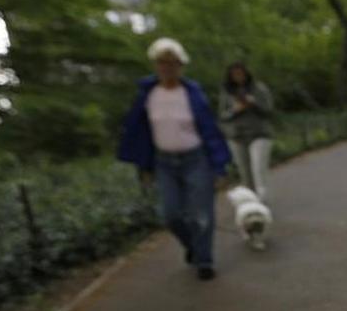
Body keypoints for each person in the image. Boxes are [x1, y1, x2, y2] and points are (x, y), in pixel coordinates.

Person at [117, 37, 231, 281]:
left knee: (201, 215)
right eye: (162, 63)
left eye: (172, 63)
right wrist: (144, 167)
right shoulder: (148, 95)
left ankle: (204, 260)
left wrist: (219, 167)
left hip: (196, 159)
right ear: (156, 65)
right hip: (164, 162)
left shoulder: (193, 94)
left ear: (181, 65)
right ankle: (193, 245)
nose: (167, 67)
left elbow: (209, 130)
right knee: (170, 215)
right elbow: (140, 133)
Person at [219, 62, 275, 200]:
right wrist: (235, 110)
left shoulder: (259, 88)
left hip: (259, 134)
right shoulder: (227, 92)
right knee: (245, 174)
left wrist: (254, 103)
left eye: (241, 73)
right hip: (237, 136)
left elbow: (269, 110)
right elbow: (222, 114)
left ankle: (261, 200)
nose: (238, 76)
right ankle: (251, 202)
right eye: (235, 74)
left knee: (258, 170)